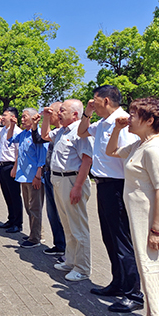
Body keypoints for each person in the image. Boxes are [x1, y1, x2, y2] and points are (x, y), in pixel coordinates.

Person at [77, 85, 144, 312]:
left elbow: (129, 157)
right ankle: (118, 283)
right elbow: (82, 132)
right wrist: (86, 113)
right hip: (103, 185)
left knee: (122, 240)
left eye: (94, 100)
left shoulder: (122, 121)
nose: (92, 103)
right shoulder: (103, 122)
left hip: (118, 185)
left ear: (106, 100)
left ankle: (133, 294)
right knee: (109, 237)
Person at [105, 97, 159, 316]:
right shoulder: (140, 144)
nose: (129, 118)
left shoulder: (153, 148)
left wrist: (157, 230)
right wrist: (117, 128)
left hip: (150, 221)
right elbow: (111, 151)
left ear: (150, 120)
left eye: (134, 115)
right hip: (138, 219)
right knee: (146, 268)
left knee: (154, 271)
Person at [40, 99, 93, 282]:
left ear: (75, 114)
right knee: (67, 225)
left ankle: (82, 268)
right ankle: (70, 261)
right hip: (59, 180)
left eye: (63, 110)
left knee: (78, 227)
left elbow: (87, 160)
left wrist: (77, 187)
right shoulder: (62, 131)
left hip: (72, 180)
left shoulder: (81, 132)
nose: (59, 113)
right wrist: (45, 118)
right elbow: (45, 135)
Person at [7, 108, 48, 248]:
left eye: (25, 117)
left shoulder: (39, 135)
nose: (22, 119)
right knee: (29, 207)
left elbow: (42, 156)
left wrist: (38, 175)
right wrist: (12, 125)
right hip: (23, 176)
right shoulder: (23, 134)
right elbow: (9, 139)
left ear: (33, 118)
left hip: (33, 177)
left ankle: (35, 239)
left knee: (35, 208)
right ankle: (36, 233)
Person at [31, 102, 66, 256]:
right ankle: (59, 245)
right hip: (50, 175)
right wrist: (38, 123)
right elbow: (39, 138)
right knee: (52, 213)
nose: (48, 114)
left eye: (50, 111)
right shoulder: (55, 132)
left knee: (62, 214)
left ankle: (67, 249)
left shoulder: (67, 131)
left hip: (63, 178)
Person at [0, 107, 23, 233]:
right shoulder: (4, 130)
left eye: (5, 115)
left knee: (15, 195)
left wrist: (15, 168)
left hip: (11, 165)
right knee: (7, 195)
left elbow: (18, 152)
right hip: (3, 165)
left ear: (13, 117)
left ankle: (18, 223)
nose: (3, 117)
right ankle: (11, 219)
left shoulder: (17, 132)